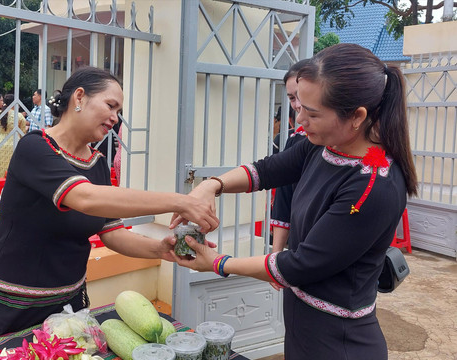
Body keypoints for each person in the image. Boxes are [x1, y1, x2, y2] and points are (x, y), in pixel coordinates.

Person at [172, 43, 418, 360]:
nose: (299, 119)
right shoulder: (323, 144)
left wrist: (218, 263)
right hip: (303, 325)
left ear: (357, 117)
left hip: (340, 342)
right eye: (298, 105)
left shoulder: (373, 186)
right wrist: (212, 187)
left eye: (311, 113)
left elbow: (302, 264)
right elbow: (269, 169)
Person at [0, 67, 219, 344]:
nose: (115, 118)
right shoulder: (35, 148)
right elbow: (84, 197)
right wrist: (181, 201)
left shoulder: (96, 164)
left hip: (68, 307)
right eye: (111, 106)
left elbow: (112, 233)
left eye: (119, 111)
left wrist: (160, 249)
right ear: (80, 97)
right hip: (13, 303)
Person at [270, 59, 309, 251]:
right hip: (299, 250)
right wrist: (275, 255)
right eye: (292, 98)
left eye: (302, 96)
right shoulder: (295, 140)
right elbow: (283, 199)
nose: (298, 105)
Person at [0, 94, 26, 178]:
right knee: (12, 168)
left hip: (0, 143)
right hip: (13, 143)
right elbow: (22, 134)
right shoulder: (19, 116)